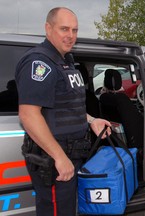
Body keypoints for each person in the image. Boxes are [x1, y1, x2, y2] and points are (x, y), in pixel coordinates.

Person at [15, 7, 111, 216]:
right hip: (53, 160)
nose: (71, 36)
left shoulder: (64, 60)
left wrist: (91, 120)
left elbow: (65, 105)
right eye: (64, 29)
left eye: (75, 30)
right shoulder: (40, 63)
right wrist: (59, 157)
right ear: (48, 28)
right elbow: (29, 114)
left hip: (69, 155)